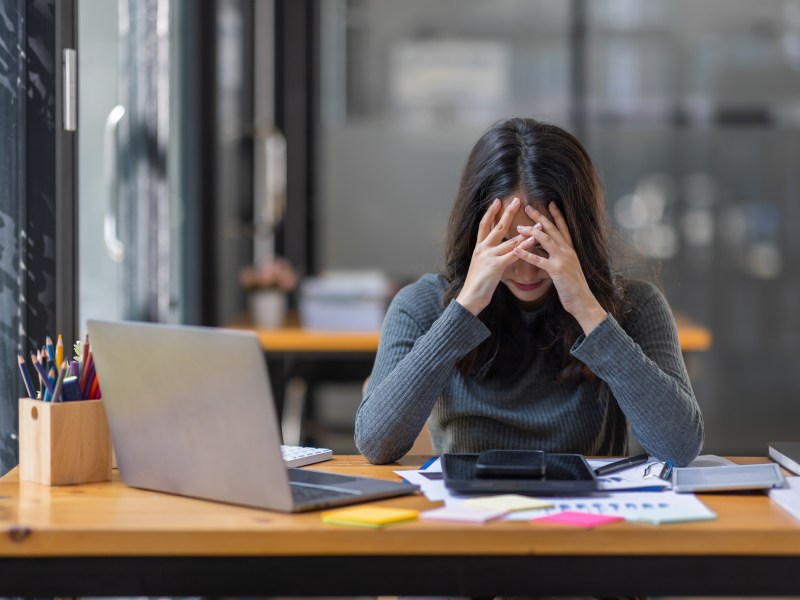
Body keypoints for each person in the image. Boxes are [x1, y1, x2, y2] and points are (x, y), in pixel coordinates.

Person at [355, 117, 703, 467]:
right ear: (476, 234)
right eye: (507, 245)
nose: (526, 269)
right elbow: (375, 443)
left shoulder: (635, 307)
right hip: (471, 516)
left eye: (543, 246)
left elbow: (680, 448)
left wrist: (588, 310)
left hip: (586, 516)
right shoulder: (424, 304)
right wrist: (464, 310)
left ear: (580, 237)